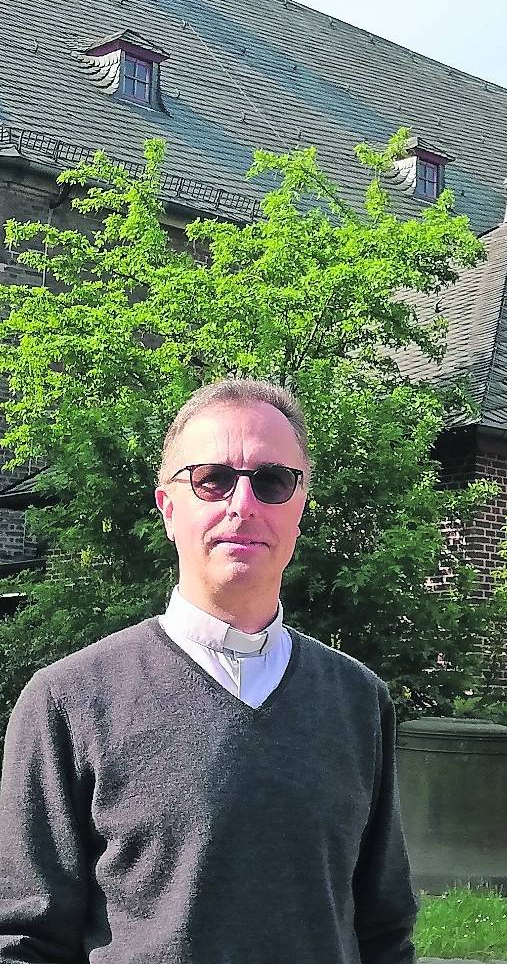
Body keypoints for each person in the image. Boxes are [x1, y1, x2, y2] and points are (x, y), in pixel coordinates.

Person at [0, 378, 418, 964]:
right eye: (212, 479)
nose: (241, 505)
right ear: (168, 508)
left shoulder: (357, 701)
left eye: (272, 481)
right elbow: (23, 944)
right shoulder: (67, 702)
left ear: (299, 508)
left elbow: (384, 933)